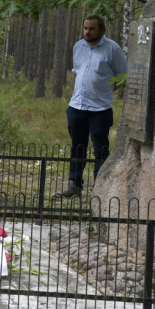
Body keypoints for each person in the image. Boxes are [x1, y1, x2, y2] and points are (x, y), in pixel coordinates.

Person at [57, 15, 128, 198]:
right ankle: (74, 185)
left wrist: (106, 91)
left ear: (101, 30)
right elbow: (78, 72)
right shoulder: (78, 47)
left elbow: (123, 75)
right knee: (77, 146)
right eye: (85, 28)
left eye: (92, 29)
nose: (88, 32)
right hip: (77, 106)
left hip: (100, 110)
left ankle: (100, 188)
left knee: (100, 149)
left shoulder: (112, 49)